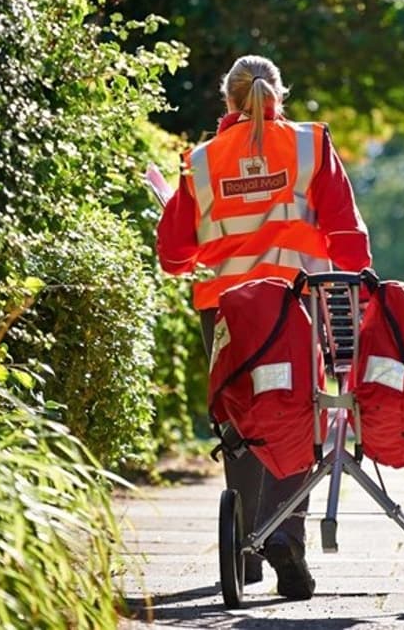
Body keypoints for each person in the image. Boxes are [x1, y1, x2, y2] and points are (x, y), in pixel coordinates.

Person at [156, 54, 372, 599]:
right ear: (280, 93)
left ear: (227, 100)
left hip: (225, 311)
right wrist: (359, 298)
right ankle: (285, 539)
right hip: (297, 303)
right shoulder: (310, 145)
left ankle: (243, 554)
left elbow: (175, 255)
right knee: (295, 414)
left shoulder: (199, 161)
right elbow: (345, 230)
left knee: (240, 418)